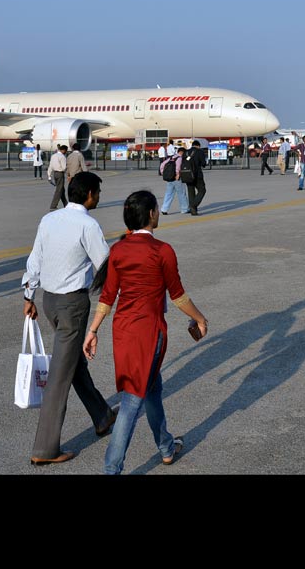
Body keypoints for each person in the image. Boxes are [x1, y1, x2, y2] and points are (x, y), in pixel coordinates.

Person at [84, 190, 208, 474]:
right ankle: (111, 468)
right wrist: (200, 319)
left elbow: (107, 296)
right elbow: (178, 296)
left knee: (151, 388)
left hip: (123, 330)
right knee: (131, 400)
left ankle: (165, 446)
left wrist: (93, 330)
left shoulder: (118, 250)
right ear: (152, 214)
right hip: (149, 332)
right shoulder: (162, 250)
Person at [21, 172, 118, 465]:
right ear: (88, 194)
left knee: (73, 363)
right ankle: (45, 450)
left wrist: (28, 296)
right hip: (72, 304)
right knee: (60, 377)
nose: (99, 197)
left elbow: (35, 258)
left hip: (49, 302)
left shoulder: (49, 219)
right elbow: (105, 263)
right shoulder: (88, 224)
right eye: (97, 192)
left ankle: (102, 416)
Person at [160, 146, 190, 215]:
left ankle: (164, 209)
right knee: (181, 193)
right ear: (182, 152)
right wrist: (177, 174)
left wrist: (163, 173)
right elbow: (178, 167)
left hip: (169, 179)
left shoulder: (171, 158)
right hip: (177, 178)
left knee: (168, 194)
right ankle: (184, 209)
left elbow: (162, 165)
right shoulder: (179, 158)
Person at [185, 140, 207, 215]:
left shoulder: (186, 152)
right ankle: (193, 205)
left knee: (191, 192)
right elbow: (204, 163)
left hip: (187, 174)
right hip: (197, 175)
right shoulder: (200, 152)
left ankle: (193, 211)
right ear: (198, 145)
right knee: (202, 190)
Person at [47, 145, 68, 210]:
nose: (66, 152)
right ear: (64, 150)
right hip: (60, 174)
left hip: (55, 174)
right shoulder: (62, 157)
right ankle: (53, 206)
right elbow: (64, 168)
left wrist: (49, 176)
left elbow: (50, 166)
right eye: (66, 151)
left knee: (61, 189)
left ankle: (66, 204)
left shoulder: (53, 156)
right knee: (59, 190)